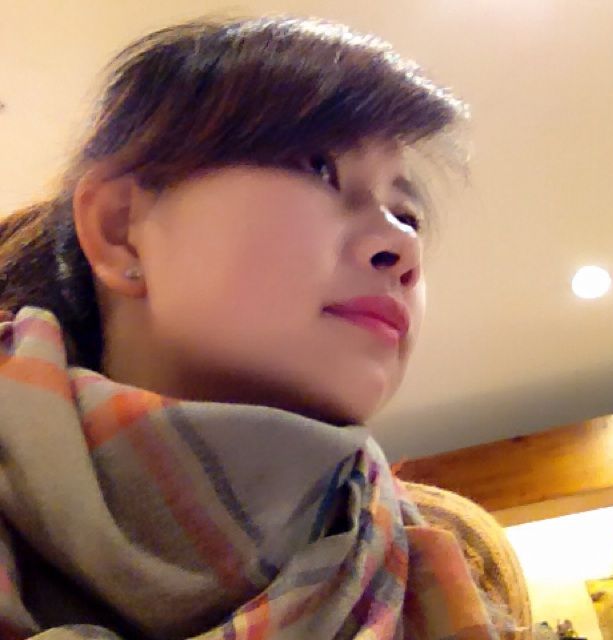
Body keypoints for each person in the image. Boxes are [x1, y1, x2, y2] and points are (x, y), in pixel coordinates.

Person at [0, 15, 531, 640]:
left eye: (407, 213)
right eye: (317, 167)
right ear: (121, 229)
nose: (403, 246)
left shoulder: (453, 554)